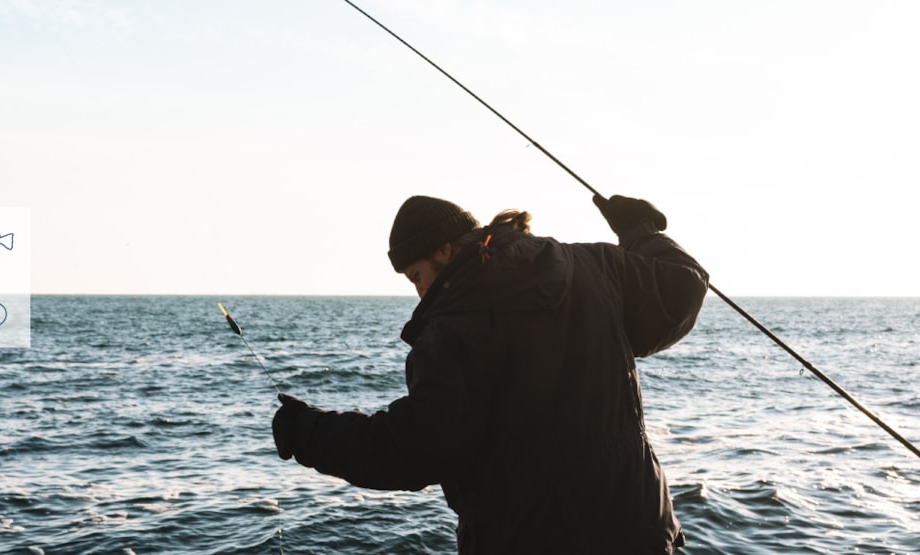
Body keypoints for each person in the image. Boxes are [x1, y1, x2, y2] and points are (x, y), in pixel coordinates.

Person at [272, 194, 709, 554]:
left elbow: (416, 448)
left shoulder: (452, 327)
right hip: (636, 532)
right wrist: (640, 232)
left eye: (416, 276)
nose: (419, 291)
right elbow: (682, 287)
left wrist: (309, 433)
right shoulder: (589, 266)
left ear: (444, 249)